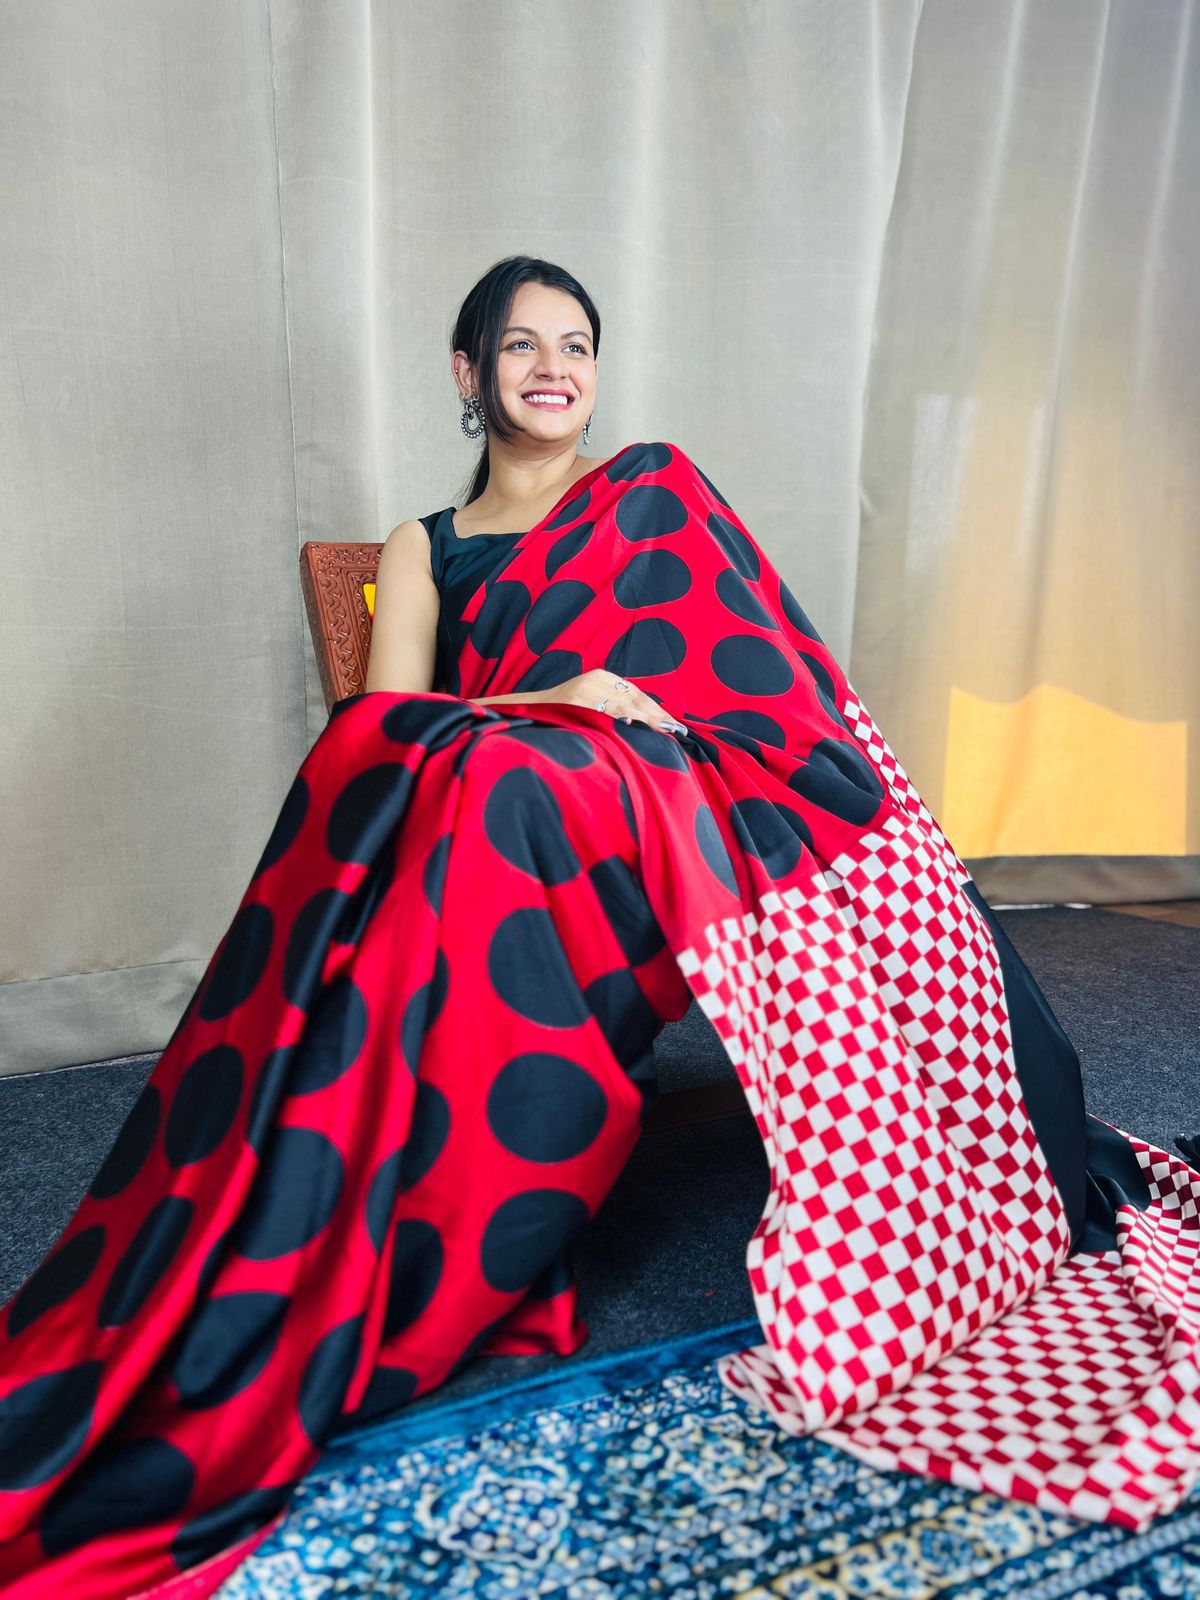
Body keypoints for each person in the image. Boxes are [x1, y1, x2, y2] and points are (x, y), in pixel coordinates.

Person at [1, 254, 1198, 1599]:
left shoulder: (649, 495)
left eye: (574, 342)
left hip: (674, 796)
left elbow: (761, 680)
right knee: (498, 782)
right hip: (513, 791)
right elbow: (375, 735)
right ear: (471, 374)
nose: (552, 365)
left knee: (514, 787)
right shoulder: (424, 546)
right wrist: (552, 695)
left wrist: (595, 719)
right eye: (520, 345)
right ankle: (367, 1220)